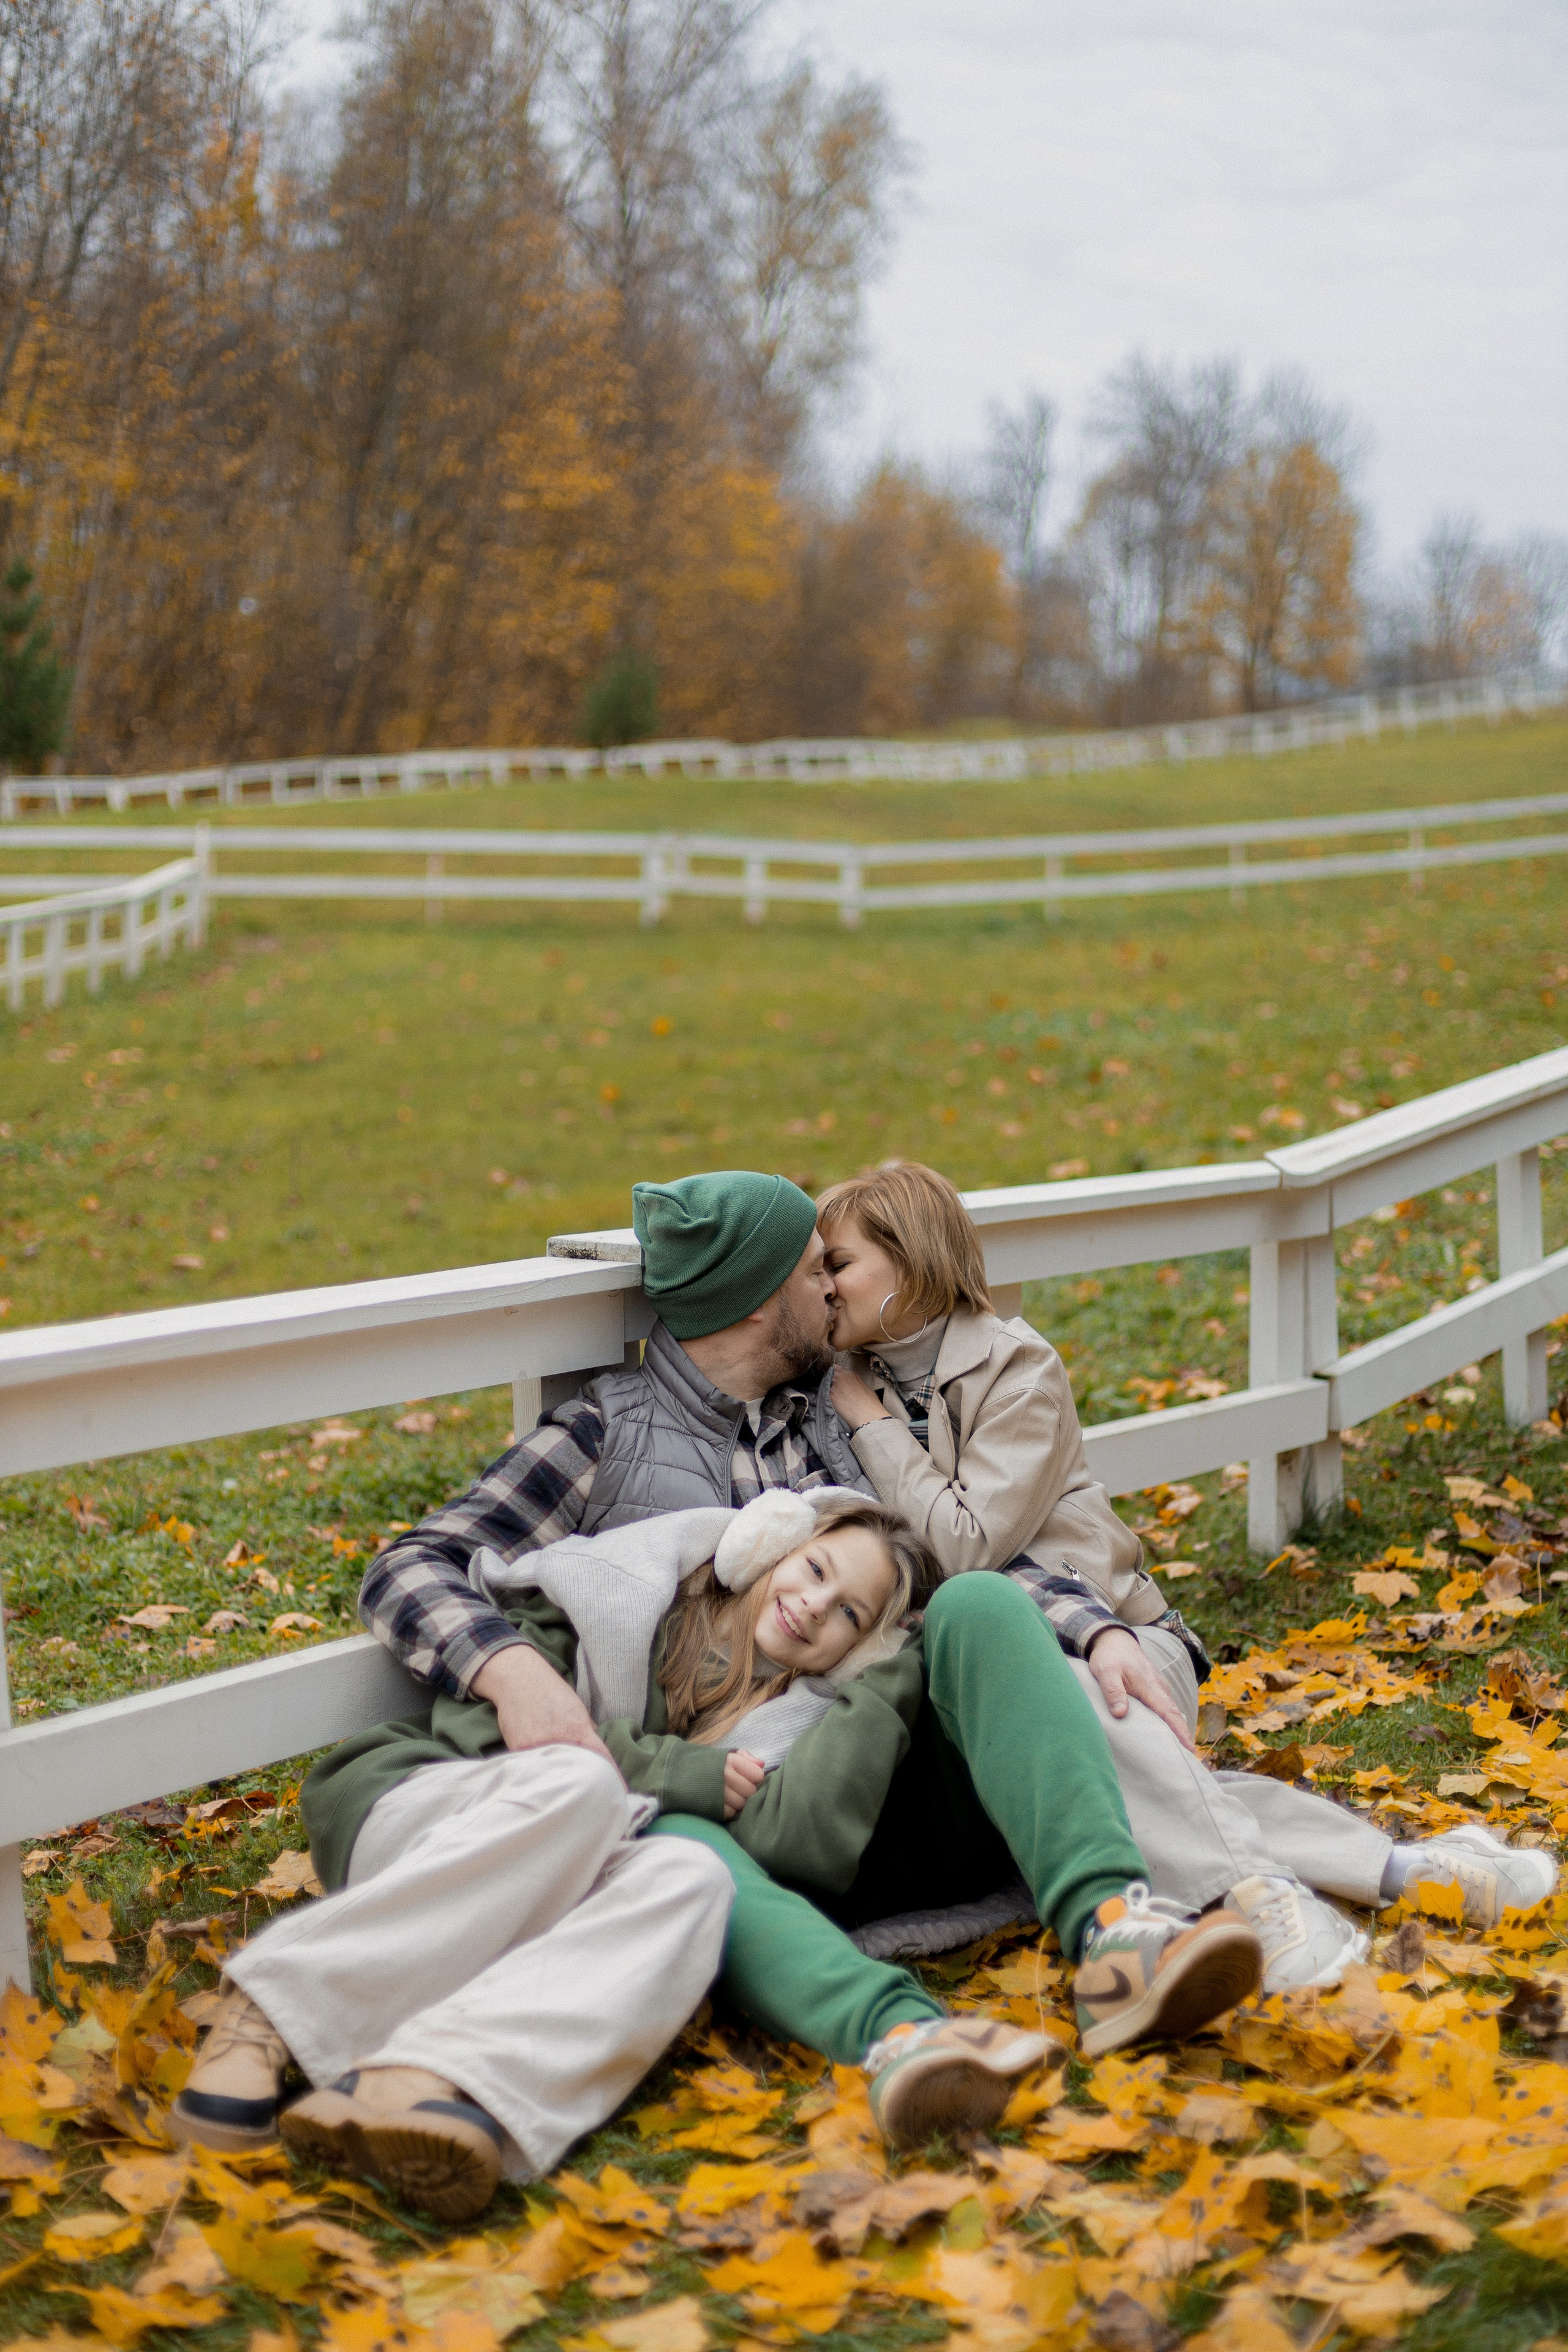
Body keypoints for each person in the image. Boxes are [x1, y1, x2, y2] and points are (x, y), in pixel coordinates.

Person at [173, 1486, 1262, 2214]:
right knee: (583, 1788)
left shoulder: (802, 1714)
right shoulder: (606, 1596)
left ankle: (429, 2083)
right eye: (816, 1568)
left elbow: (789, 1845)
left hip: (600, 1871)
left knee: (690, 1870)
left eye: (850, 1614)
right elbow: (493, 1733)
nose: (815, 1604)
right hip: (456, 1815)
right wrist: (683, 1775)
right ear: (768, 1544)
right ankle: (265, 2018)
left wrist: (893, 1664)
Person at [818, 1159, 1559, 1988]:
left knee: (1078, 1710)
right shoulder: (851, 1382)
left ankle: (1258, 1897)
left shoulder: (1014, 1370)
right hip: (1009, 1658)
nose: (824, 1285)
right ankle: (1406, 1872)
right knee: (1091, 1759)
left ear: (909, 1261)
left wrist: (874, 1427)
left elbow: (964, 1549)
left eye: (838, 1263)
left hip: (1122, 1639)